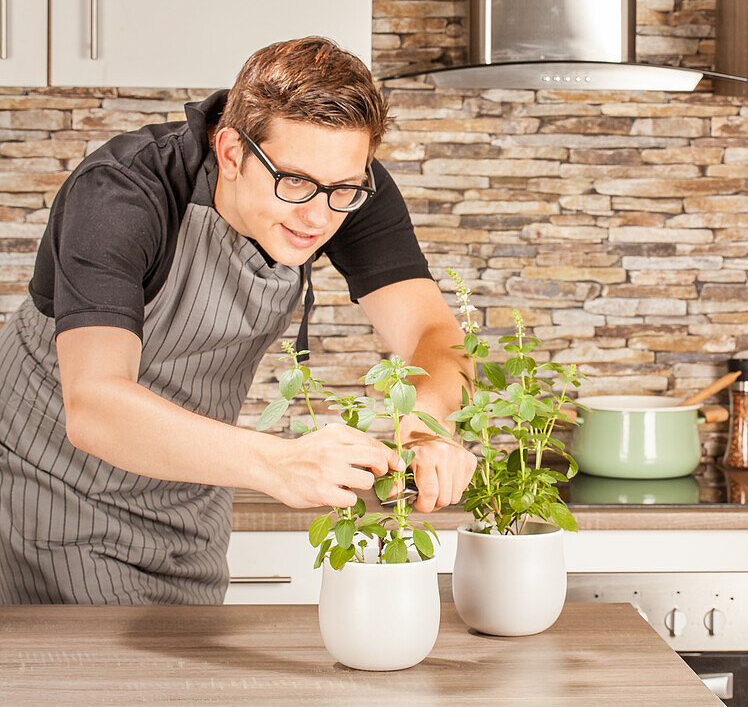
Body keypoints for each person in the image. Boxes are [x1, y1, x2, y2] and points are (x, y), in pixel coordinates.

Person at [0, 37, 476, 605]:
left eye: (343, 189)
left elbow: (435, 335)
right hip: (53, 494)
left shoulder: (344, 184)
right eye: (294, 182)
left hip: (190, 499)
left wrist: (427, 423)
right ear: (231, 153)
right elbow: (95, 405)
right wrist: (278, 461)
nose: (319, 215)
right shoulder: (120, 195)